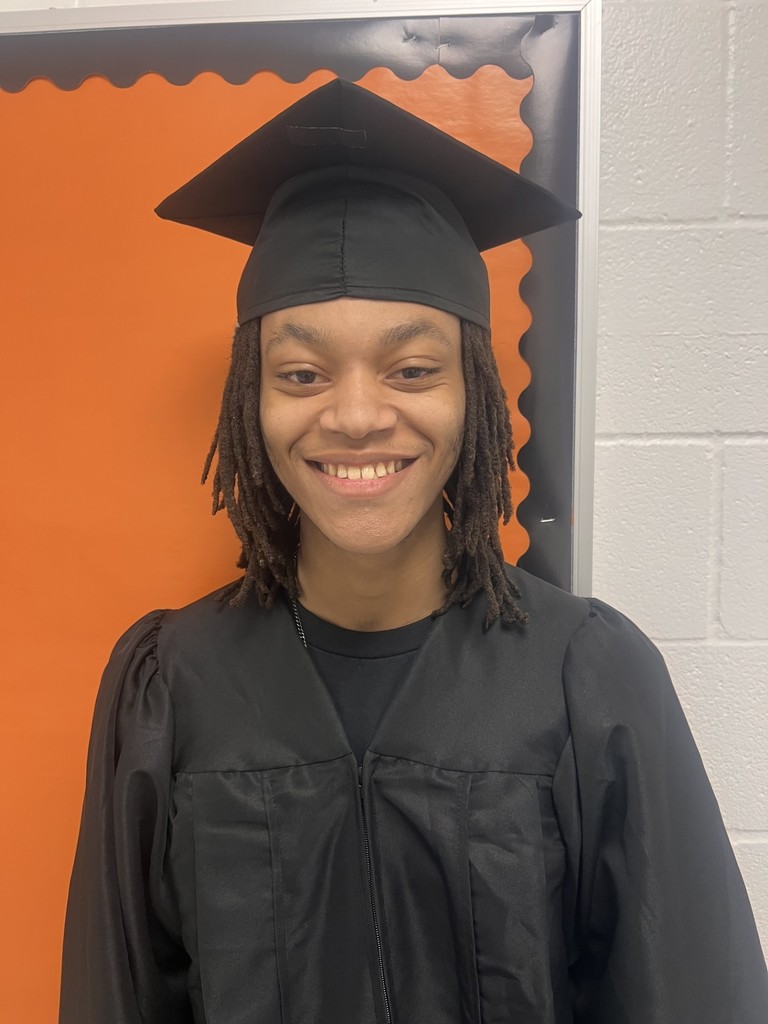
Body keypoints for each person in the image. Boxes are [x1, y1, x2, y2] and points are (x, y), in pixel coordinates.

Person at [59, 79, 767, 1024]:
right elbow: (118, 994)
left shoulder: (585, 675)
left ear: (472, 393)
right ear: (251, 402)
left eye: (413, 369)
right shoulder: (169, 686)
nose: (355, 415)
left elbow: (687, 991)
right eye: (301, 373)